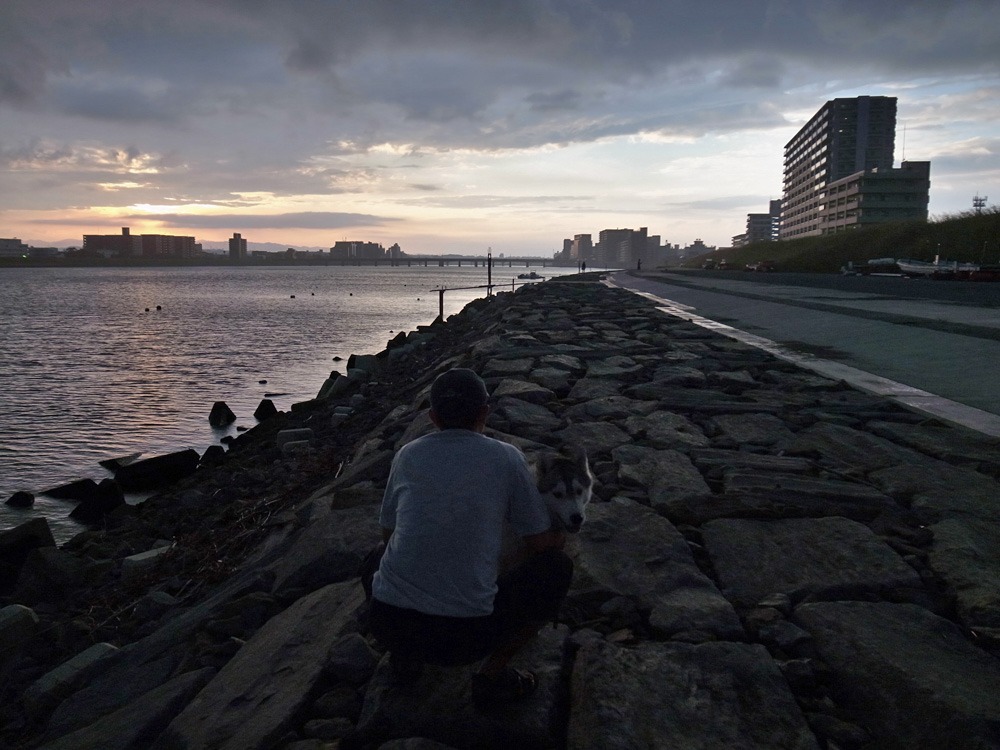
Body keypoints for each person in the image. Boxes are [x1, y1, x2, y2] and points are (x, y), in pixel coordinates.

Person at [365, 368, 572, 709]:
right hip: (465, 641)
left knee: (376, 557)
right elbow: (538, 543)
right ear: (484, 414)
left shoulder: (407, 455)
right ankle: (492, 676)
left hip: (389, 623)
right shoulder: (506, 457)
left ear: (432, 417)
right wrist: (559, 534)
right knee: (556, 566)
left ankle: (405, 659)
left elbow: (388, 535)